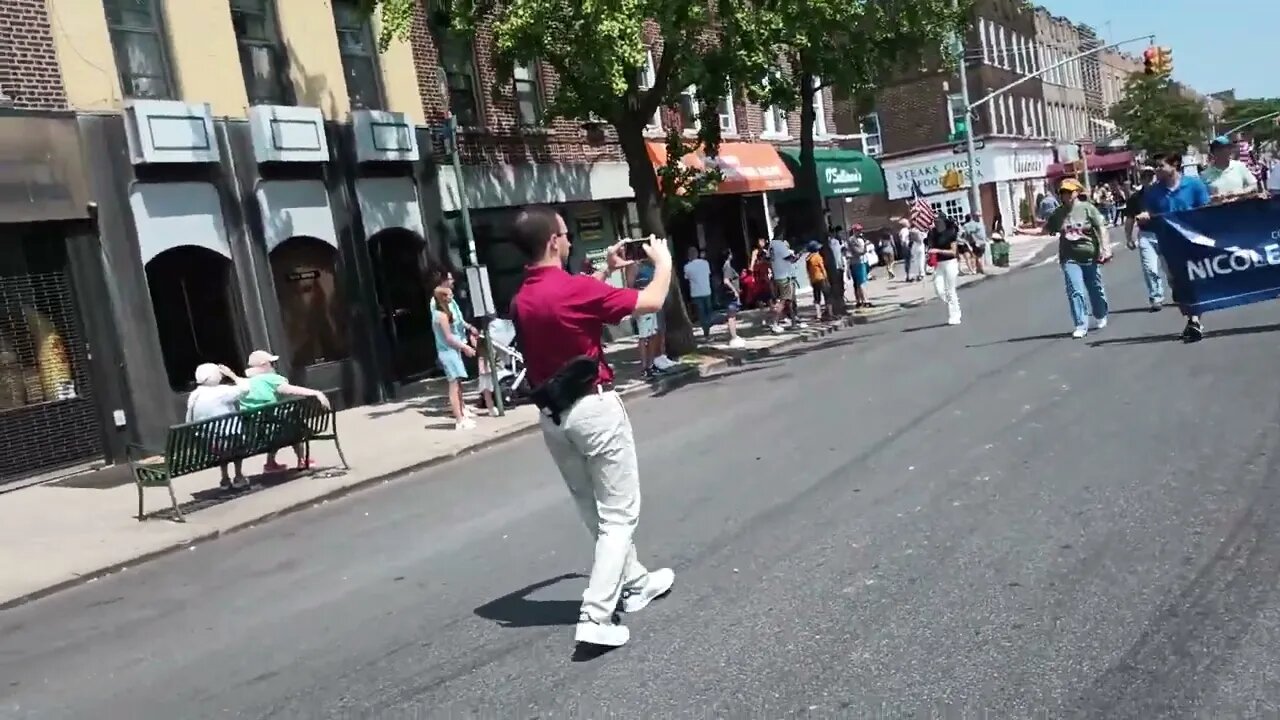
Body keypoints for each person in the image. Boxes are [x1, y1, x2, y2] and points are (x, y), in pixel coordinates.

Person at [508, 207, 675, 649]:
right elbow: (651, 302)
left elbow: (575, 305)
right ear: (551, 243)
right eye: (564, 235)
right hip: (593, 409)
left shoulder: (522, 298)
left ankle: (636, 582)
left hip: (553, 419)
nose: (568, 241)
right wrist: (664, 263)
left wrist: (605, 271)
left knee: (593, 510)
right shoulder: (574, 289)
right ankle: (596, 615)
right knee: (619, 515)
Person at [1136, 152, 1211, 341]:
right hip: (1168, 245)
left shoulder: (1193, 185)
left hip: (1193, 242)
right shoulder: (1154, 193)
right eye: (1156, 167)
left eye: (1161, 166)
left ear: (1175, 164)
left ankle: (1194, 320)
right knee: (1176, 285)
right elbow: (1150, 218)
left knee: (1192, 282)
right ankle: (1190, 318)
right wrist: (1144, 218)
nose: (1158, 170)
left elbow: (1206, 211)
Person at [240, 350, 332, 472]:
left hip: (255, 434)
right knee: (290, 422)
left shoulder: (245, 383)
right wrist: (316, 393)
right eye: (272, 363)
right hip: (273, 430)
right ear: (264, 365)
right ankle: (302, 459)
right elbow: (288, 389)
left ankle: (270, 462)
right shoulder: (271, 379)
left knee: (275, 423)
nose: (274, 366)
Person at [1045, 178, 1110, 338]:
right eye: (1062, 192)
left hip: (1089, 255)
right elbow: (1047, 228)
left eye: (1068, 192)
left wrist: (1105, 248)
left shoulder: (1088, 209)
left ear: (1076, 193)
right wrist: (1024, 231)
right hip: (1069, 257)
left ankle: (1100, 314)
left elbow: (1101, 227)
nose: (1064, 195)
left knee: (1095, 289)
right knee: (1075, 290)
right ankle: (1081, 324)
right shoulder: (1059, 213)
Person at [186, 362, 251, 489]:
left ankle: (225, 478)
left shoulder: (194, 395)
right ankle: (238, 476)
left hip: (209, 442)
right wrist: (232, 375)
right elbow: (246, 388)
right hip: (231, 439)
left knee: (223, 448)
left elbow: (189, 420)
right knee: (234, 439)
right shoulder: (222, 391)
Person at [432, 284, 479, 431]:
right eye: (449, 295)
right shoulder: (442, 316)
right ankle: (459, 419)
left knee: (457, 383)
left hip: (450, 351)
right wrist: (465, 347)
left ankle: (462, 417)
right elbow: (448, 337)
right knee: (454, 385)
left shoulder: (442, 314)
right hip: (448, 351)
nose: (452, 297)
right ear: (442, 298)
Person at [1123, 166, 1164, 311]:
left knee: (1171, 269)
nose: (1149, 180)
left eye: (1151, 176)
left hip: (1165, 233)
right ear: (1141, 179)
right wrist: (1129, 237)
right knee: (1149, 268)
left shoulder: (1164, 194)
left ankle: (1180, 293)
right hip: (1146, 235)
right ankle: (1156, 297)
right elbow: (1129, 219)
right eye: (1145, 177)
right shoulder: (1136, 198)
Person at [1202, 135, 1263, 203]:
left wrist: (1239, 193)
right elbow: (1202, 198)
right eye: (1219, 149)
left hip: (1240, 209)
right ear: (1213, 152)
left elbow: (1254, 186)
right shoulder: (1205, 175)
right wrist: (1213, 198)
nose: (1224, 151)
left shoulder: (1239, 166)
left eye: (1227, 148)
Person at [925, 216, 962, 325]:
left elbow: (953, 252)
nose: (936, 223)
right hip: (939, 264)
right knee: (939, 289)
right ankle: (954, 304)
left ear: (943, 222)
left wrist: (938, 250)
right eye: (935, 221)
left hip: (950, 263)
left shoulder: (950, 232)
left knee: (950, 290)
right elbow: (929, 246)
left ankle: (955, 315)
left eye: (938, 221)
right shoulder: (932, 233)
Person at [767, 236, 804, 333]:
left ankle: (793, 322)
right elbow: (790, 259)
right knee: (784, 301)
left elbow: (768, 258)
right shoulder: (780, 244)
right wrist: (798, 256)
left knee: (789, 302)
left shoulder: (772, 245)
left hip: (779, 277)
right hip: (784, 277)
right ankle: (775, 323)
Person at [682, 246, 714, 340]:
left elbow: (686, 278)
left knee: (701, 313)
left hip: (696, 293)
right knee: (708, 311)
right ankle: (708, 327)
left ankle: (706, 332)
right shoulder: (705, 263)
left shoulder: (687, 267)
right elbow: (708, 274)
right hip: (706, 290)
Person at [721, 251, 747, 348]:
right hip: (731, 295)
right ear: (729, 256)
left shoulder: (727, 266)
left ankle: (734, 335)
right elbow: (726, 281)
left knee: (733, 316)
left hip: (731, 294)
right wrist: (734, 290)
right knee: (731, 317)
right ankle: (733, 337)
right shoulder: (727, 267)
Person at [805, 240, 831, 320]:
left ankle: (818, 315)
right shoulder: (818, 257)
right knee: (827, 296)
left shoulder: (808, 258)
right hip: (821, 278)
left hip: (813, 279)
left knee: (817, 298)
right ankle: (829, 313)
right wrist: (826, 278)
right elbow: (822, 268)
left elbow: (808, 270)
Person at [847, 224, 871, 306]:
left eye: (860, 230)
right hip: (857, 263)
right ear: (854, 231)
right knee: (861, 282)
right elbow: (858, 251)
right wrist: (865, 248)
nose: (860, 232)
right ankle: (865, 300)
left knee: (860, 282)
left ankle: (860, 300)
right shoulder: (852, 240)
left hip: (863, 261)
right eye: (858, 230)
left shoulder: (861, 239)